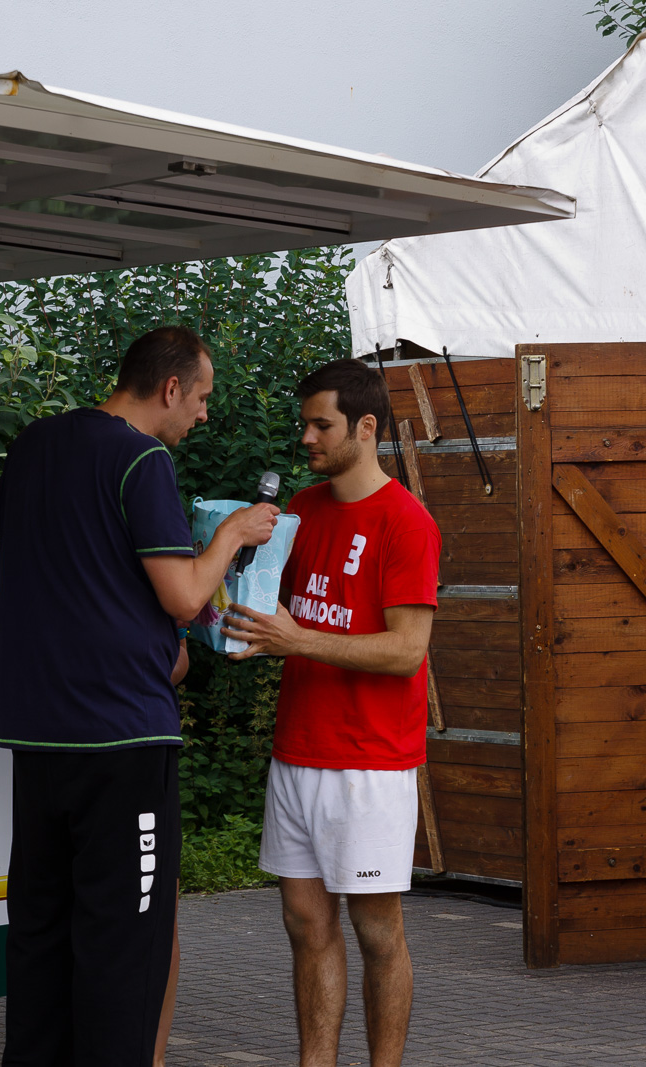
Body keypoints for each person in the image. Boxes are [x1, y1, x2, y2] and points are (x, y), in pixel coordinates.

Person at [0, 325, 278, 1067]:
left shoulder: (33, 447)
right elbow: (183, 596)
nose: (204, 416)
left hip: (38, 735)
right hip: (121, 742)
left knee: (41, 939)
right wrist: (234, 536)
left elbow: (2, 576)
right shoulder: (141, 457)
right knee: (126, 945)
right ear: (169, 388)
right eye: (203, 399)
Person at [221, 357, 441, 1067]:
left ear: (366, 426)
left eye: (322, 424)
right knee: (305, 925)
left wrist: (297, 638)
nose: (307, 438)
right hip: (297, 752)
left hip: (370, 761)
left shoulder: (407, 521)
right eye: (304, 423)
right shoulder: (301, 513)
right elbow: (269, 613)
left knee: (378, 932)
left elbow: (408, 651)